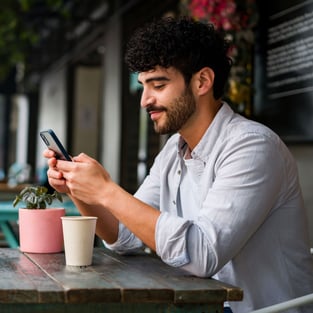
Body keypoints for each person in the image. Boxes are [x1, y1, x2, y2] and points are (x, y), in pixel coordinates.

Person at [44, 17, 313, 313]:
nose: (145, 100)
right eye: (143, 86)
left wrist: (107, 190)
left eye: (158, 85)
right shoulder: (174, 149)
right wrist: (80, 189)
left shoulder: (252, 146)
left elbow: (201, 254)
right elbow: (124, 236)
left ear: (202, 81)